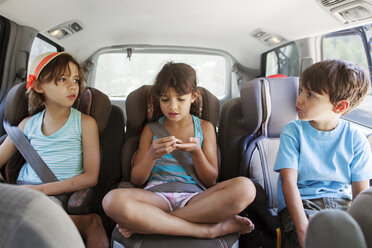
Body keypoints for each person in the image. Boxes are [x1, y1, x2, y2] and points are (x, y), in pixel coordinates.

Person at [103, 62, 256, 239]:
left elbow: (210, 180)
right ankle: (207, 231)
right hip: (156, 197)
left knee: (246, 188)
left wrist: (197, 153)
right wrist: (151, 155)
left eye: (180, 99)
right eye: (165, 99)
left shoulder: (205, 128)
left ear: (193, 96)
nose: (172, 107)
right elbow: (137, 179)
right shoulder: (150, 130)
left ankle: (150, 224)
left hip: (196, 199)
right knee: (111, 201)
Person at [0, 52, 109, 248]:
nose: (73, 85)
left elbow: (91, 177)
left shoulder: (85, 124)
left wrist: (40, 190)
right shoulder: (26, 125)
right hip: (23, 189)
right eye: (62, 79)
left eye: (76, 79)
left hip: (55, 194)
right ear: (39, 86)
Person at [274, 59, 372, 248]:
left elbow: (360, 196)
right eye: (301, 91)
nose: (299, 99)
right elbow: (288, 182)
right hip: (302, 204)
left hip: (343, 204)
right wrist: (303, 229)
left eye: (310, 95)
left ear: (340, 107)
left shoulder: (356, 139)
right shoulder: (293, 131)